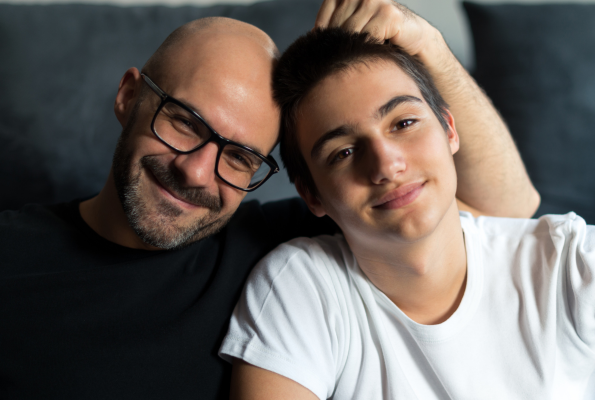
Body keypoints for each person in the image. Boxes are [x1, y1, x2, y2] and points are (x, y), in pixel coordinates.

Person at [0, 1, 538, 399]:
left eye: (237, 157)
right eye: (183, 123)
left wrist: (431, 51)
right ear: (129, 97)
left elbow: (507, 210)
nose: (195, 170)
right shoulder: (10, 257)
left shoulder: (278, 249)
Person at [220, 27, 594, 399]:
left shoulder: (570, 261)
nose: (386, 165)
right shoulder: (302, 286)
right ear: (311, 195)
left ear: (449, 130)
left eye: (403, 123)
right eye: (344, 152)